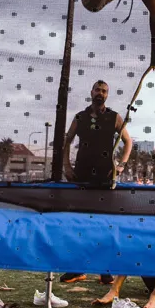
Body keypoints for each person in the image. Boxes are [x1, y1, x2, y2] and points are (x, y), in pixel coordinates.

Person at [59, 80, 132, 285]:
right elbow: (67, 142)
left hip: (105, 176)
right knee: (79, 222)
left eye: (104, 91)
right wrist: (67, 166)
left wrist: (121, 165)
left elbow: (129, 141)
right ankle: (77, 269)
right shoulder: (80, 117)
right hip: (81, 174)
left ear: (107, 95)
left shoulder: (114, 117)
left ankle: (104, 270)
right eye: (98, 90)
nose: (100, 93)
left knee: (103, 223)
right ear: (91, 92)